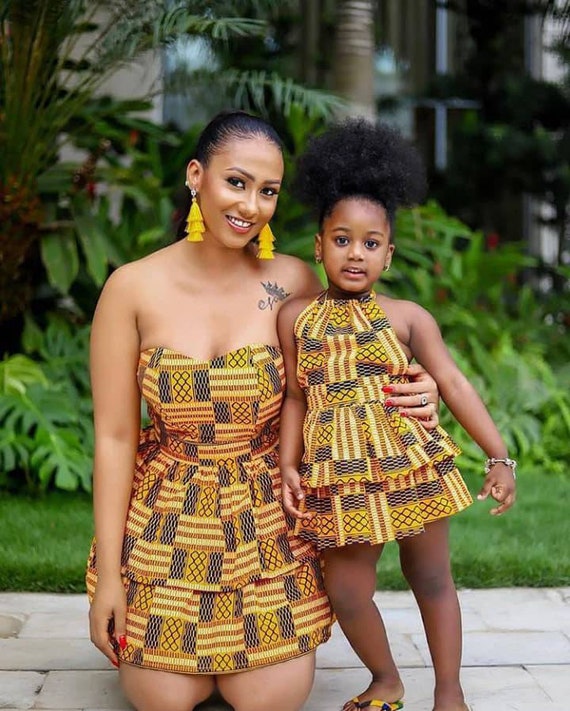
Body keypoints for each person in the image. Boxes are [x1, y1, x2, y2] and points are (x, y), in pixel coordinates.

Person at [86, 110, 442, 711]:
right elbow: (116, 439)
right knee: (162, 699)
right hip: (167, 527)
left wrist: (422, 383)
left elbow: (356, 361)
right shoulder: (131, 288)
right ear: (196, 176)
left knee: (268, 698)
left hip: (267, 526)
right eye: (237, 182)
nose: (251, 206)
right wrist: (111, 581)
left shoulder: (294, 281)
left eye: (268, 191)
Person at [277, 118, 517, 711]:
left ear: (388, 253)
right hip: (339, 473)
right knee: (346, 589)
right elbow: (296, 396)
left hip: (409, 463)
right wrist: (288, 463)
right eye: (341, 239)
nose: (355, 253)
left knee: (430, 577)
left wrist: (498, 456)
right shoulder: (295, 318)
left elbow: (453, 383)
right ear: (318, 245)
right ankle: (386, 678)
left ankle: (450, 692)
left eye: (370, 243)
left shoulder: (408, 317)